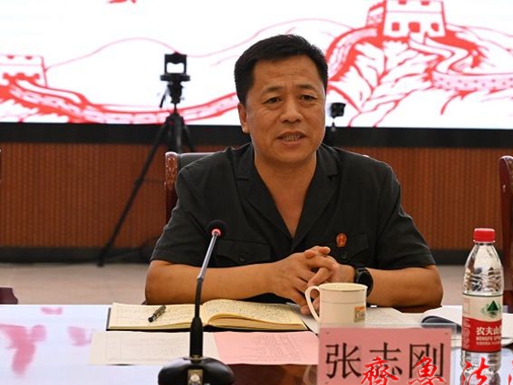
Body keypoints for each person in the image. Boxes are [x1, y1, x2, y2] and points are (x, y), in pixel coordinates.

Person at [145, 34, 443, 313]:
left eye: (307, 98)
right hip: (235, 349)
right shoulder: (205, 181)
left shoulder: (370, 181)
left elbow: (427, 286)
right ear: (244, 116)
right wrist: (269, 276)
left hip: (334, 346)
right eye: (273, 100)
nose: (292, 114)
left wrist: (352, 278)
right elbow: (160, 284)